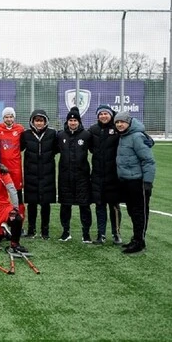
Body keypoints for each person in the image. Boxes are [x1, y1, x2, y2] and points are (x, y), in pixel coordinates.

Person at [115, 111, 156, 254]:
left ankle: (140, 242)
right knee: (132, 211)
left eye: (122, 122)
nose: (120, 124)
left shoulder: (137, 136)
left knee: (140, 212)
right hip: (126, 182)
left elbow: (148, 160)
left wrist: (148, 182)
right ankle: (136, 238)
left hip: (138, 182)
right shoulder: (123, 136)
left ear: (129, 123)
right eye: (117, 122)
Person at [57, 107, 93, 243]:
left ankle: (86, 233)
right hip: (65, 177)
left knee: (85, 205)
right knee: (65, 205)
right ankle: (66, 232)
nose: (72, 123)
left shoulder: (86, 135)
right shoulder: (60, 136)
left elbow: (95, 150)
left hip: (82, 177)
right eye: (70, 120)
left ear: (79, 121)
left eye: (75, 120)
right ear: (67, 121)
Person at [21, 109, 58, 239]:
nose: (39, 123)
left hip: (47, 173)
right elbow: (19, 148)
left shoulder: (52, 134)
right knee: (32, 203)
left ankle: (45, 231)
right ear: (32, 122)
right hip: (31, 173)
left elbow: (57, 149)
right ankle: (31, 230)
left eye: (41, 121)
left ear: (45, 121)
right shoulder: (26, 134)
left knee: (45, 203)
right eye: (36, 120)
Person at [88, 104, 123, 245]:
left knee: (114, 206)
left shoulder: (117, 129)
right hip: (97, 174)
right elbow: (90, 147)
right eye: (100, 114)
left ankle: (116, 233)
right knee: (100, 204)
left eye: (105, 113)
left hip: (113, 175)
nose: (103, 116)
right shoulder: (93, 130)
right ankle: (101, 234)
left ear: (111, 115)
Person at [0, 107, 26, 218]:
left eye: (11, 116)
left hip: (16, 168)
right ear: (3, 118)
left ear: (14, 117)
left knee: (17, 195)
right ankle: (0, 218)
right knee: (0, 195)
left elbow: (23, 145)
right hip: (2, 167)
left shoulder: (20, 129)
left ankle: (19, 221)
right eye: (6, 117)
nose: (9, 119)